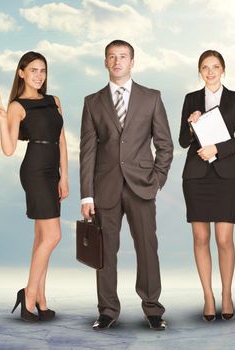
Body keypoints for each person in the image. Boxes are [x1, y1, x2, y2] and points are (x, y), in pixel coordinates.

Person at [80, 40, 174, 330]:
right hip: (105, 188)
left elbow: (165, 145)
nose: (117, 61)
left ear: (132, 62)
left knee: (147, 247)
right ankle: (107, 310)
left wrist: (156, 180)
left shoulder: (152, 97)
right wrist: (87, 195)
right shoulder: (92, 102)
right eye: (112, 57)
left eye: (123, 56)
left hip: (142, 185)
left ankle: (153, 309)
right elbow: (88, 151)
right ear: (105, 62)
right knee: (104, 252)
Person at [0, 51, 68, 322]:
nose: (39, 75)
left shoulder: (53, 100)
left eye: (43, 70)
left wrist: (64, 176)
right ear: (21, 72)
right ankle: (29, 294)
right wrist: (1, 121)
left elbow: (62, 141)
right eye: (33, 70)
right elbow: (9, 149)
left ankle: (42, 300)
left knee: (41, 238)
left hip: (52, 172)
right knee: (53, 236)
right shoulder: (17, 106)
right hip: (34, 171)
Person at [179, 50, 235, 322]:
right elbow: (183, 142)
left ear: (223, 70)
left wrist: (216, 150)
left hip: (226, 176)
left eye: (215, 67)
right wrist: (190, 124)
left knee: (224, 240)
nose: (210, 72)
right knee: (200, 239)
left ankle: (227, 294)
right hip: (196, 176)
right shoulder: (191, 99)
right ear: (199, 71)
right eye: (205, 67)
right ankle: (208, 295)